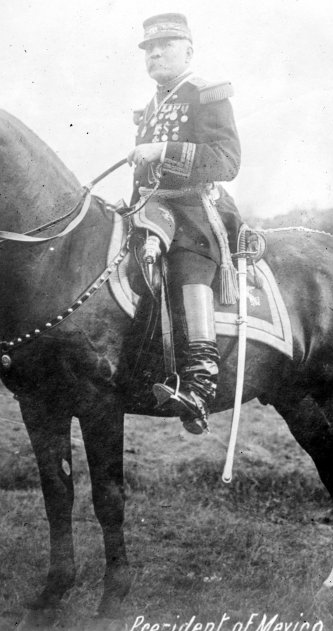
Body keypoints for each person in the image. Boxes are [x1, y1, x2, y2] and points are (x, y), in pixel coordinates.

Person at [127, 12, 244, 434]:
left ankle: (200, 381)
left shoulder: (207, 94)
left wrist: (162, 149)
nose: (154, 53)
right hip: (154, 210)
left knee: (187, 266)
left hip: (195, 211)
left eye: (165, 46)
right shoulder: (151, 105)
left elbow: (227, 161)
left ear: (188, 50)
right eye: (149, 49)